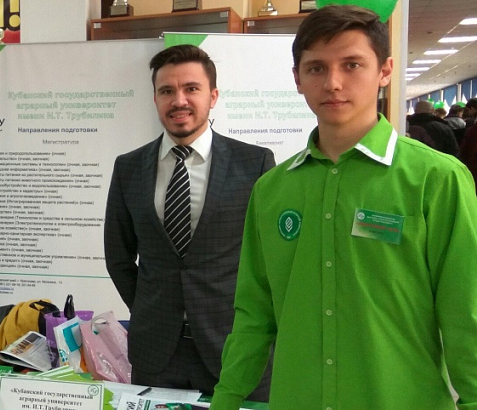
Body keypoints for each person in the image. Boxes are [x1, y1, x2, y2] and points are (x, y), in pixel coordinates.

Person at [211, 6, 477, 409]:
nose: (333, 83)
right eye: (316, 68)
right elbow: (253, 315)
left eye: (352, 65)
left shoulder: (436, 179)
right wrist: (227, 399)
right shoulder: (271, 190)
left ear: (384, 71)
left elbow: (465, 316)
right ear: (297, 79)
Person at [103, 44, 274, 399]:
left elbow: (271, 261)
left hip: (234, 348)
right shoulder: (129, 167)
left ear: (213, 96)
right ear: (155, 99)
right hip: (156, 353)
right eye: (167, 91)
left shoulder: (254, 164)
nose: (178, 100)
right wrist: (150, 309)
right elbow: (119, 257)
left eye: (191, 88)